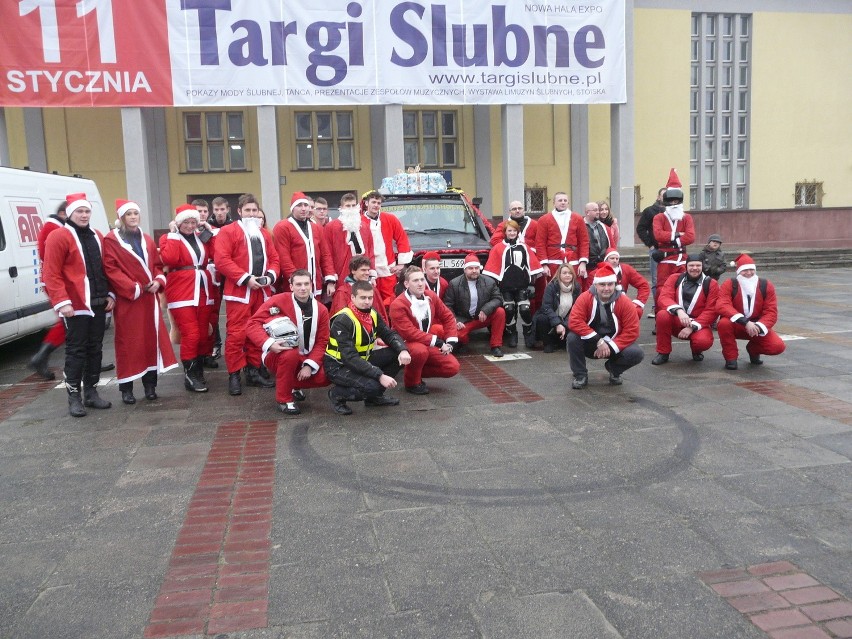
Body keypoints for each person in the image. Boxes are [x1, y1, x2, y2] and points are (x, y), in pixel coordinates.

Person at [42, 193, 115, 417]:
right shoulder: (58, 236)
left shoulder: (97, 235)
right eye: (79, 211)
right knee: (76, 351)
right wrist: (62, 302)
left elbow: (106, 268)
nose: (84, 215)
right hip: (74, 305)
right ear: (70, 213)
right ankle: (73, 396)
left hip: (98, 302)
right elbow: (50, 273)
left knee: (95, 349)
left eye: (86, 211)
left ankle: (91, 393)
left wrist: (110, 293)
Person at [102, 200, 178, 403]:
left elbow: (156, 264)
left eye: (136, 213)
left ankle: (150, 386)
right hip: (129, 300)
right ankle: (126, 389)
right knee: (129, 343)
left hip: (149, 299)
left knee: (150, 341)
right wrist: (133, 287)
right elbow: (111, 269)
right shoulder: (111, 240)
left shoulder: (147, 239)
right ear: (121, 218)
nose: (133, 217)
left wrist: (157, 281)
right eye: (129, 214)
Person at [213, 193, 280, 395]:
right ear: (239, 211)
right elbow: (222, 260)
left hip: (262, 291)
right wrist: (245, 278)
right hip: (240, 291)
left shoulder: (264, 234)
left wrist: (269, 277)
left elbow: (274, 258)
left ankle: (254, 370)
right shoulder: (228, 231)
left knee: (258, 331)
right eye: (247, 210)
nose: (251, 214)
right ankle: (234, 374)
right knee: (236, 334)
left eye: (254, 211)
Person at [246, 269, 330, 415]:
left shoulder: (321, 310)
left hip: (306, 356)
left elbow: (323, 341)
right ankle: (284, 399)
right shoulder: (278, 300)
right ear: (291, 286)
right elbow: (252, 324)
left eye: (306, 284)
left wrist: (309, 366)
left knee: (326, 376)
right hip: (278, 354)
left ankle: (291, 384)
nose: (302, 288)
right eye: (298, 284)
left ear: (311, 285)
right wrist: (269, 343)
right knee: (290, 355)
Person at [324, 280, 411, 415]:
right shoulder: (343, 320)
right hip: (338, 366)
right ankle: (337, 394)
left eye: (370, 298)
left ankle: (373, 399)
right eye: (363, 298)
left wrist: (403, 350)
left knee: (396, 354)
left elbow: (388, 334)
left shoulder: (372, 313)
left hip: (362, 359)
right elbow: (349, 357)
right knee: (373, 386)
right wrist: (380, 375)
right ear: (353, 298)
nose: (367, 301)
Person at [159, 204, 216, 393]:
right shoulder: (168, 238)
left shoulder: (201, 239)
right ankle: (190, 375)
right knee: (190, 333)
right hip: (182, 291)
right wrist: (174, 234)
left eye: (194, 222)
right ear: (178, 223)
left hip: (203, 290)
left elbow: (216, 254)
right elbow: (171, 259)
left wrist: (210, 232)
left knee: (201, 333)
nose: (190, 226)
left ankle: (197, 371)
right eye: (187, 222)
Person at [567, 262, 644, 389]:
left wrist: (610, 346)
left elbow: (632, 331)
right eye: (602, 284)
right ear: (595, 285)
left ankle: (614, 370)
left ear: (615, 285)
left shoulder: (625, 302)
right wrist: (598, 341)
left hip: (614, 344)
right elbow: (574, 321)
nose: (606, 288)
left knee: (636, 353)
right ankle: (580, 375)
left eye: (610, 284)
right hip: (591, 343)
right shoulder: (585, 298)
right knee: (572, 338)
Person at [389, 266, 460, 394]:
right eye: (415, 280)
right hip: (405, 343)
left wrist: (450, 342)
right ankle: (412, 382)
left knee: (452, 367)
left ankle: (413, 369)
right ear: (406, 284)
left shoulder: (430, 296)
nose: (420, 283)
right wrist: (438, 342)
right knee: (419, 351)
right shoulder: (398, 304)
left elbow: (448, 316)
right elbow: (409, 332)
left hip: (425, 341)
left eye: (422, 279)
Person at [716, 254, 786, 370]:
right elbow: (722, 305)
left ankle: (753, 349)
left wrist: (759, 326)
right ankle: (731, 358)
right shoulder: (729, 284)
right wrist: (744, 321)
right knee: (723, 323)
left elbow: (771, 311)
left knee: (777, 347)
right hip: (736, 323)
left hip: (757, 325)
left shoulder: (766, 285)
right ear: (738, 271)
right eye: (745, 270)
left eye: (751, 270)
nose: (748, 273)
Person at [482, 220, 543, 348]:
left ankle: (528, 334)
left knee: (525, 310)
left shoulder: (524, 247)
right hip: (505, 286)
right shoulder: (498, 248)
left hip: (522, 285)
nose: (512, 233)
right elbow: (492, 268)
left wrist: (532, 284)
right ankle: (512, 333)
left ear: (517, 232)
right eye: (509, 231)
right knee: (509, 310)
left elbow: (533, 266)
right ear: (505, 232)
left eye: (514, 231)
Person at [651, 254, 719, 365]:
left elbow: (712, 310)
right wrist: (679, 310)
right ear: (686, 266)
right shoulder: (675, 278)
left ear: (703, 267)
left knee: (703, 342)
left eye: (698, 265)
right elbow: (664, 297)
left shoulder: (711, 284)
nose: (695, 268)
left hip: (698, 322)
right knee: (662, 315)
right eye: (691, 265)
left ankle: (696, 350)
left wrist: (691, 327)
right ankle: (663, 352)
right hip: (678, 319)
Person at [29, 201, 68, 379]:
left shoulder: (53, 226)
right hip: (57, 280)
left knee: (69, 322)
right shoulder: (54, 228)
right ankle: (40, 357)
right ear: (62, 213)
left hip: (57, 280)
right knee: (66, 322)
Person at [273, 191, 336, 298]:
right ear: (292, 208)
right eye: (299, 205)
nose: (303, 208)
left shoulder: (316, 228)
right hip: (294, 286)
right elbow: (284, 258)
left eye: (306, 205)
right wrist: (297, 280)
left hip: (315, 285)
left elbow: (325, 255)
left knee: (316, 313)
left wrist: (330, 279)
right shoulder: (283, 227)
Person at [444, 254, 506, 357]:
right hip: (464, 320)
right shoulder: (454, 284)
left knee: (500, 312)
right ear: (464, 270)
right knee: (458, 336)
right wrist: (455, 320)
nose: (474, 271)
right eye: (470, 268)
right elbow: (447, 305)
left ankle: (496, 346)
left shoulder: (489, 282)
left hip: (481, 317)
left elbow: (498, 298)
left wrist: (486, 309)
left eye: (476, 268)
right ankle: (463, 342)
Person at [362, 190, 413, 308]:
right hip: (368, 270)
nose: (376, 205)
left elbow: (402, 238)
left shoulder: (390, 219)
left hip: (388, 270)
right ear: (366, 203)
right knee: (370, 302)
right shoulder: (360, 222)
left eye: (378, 203)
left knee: (390, 302)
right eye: (373, 202)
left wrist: (401, 263)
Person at [652, 169, 696, 309]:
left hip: (682, 258)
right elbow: (658, 235)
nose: (674, 203)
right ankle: (661, 318)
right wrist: (678, 235)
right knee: (662, 289)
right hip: (665, 259)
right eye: (671, 200)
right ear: (666, 201)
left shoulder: (687, 217)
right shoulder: (659, 217)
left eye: (677, 200)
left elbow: (690, 237)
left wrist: (669, 237)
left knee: (684, 289)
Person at [535, 191, 590, 280]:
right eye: (560, 200)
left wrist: (583, 262)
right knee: (554, 288)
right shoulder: (544, 219)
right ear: (554, 203)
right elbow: (540, 243)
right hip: (553, 260)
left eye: (565, 200)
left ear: (568, 203)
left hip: (573, 259)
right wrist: (544, 264)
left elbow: (584, 241)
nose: (563, 202)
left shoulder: (578, 218)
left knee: (575, 288)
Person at [323, 192, 376, 283]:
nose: (351, 209)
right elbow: (327, 254)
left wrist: (371, 273)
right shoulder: (331, 227)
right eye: (348, 206)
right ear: (341, 208)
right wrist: (331, 276)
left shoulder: (364, 226)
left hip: (363, 274)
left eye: (353, 205)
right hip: (341, 273)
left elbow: (370, 251)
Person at [531, 263, 581, 353]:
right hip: (550, 319)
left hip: (566, 320)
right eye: (564, 273)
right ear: (559, 274)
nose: (567, 275)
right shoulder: (551, 287)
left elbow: (576, 310)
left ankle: (561, 340)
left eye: (570, 273)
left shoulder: (577, 288)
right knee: (542, 319)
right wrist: (557, 323)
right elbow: (546, 307)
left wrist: (564, 324)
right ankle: (548, 343)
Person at [592, 249, 651, 319]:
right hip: (602, 303)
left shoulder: (626, 269)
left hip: (622, 301)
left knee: (637, 310)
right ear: (606, 259)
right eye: (612, 258)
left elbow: (643, 285)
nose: (615, 260)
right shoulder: (596, 273)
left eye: (617, 258)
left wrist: (638, 302)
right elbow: (590, 293)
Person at [331, 255, 389, 324]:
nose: (367, 273)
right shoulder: (343, 292)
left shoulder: (373, 290)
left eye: (368, 270)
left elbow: (382, 317)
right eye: (363, 270)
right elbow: (340, 321)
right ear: (353, 271)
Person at [636, 186, 666, 317]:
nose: (665, 197)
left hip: (672, 251)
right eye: (663, 195)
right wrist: (650, 244)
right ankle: (656, 307)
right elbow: (641, 228)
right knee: (656, 280)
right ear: (658, 196)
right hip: (656, 250)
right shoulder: (649, 211)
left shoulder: (675, 211)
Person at [582, 201, 610, 289]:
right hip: (588, 266)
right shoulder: (581, 226)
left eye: (598, 210)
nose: (598, 212)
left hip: (602, 265)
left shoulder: (603, 227)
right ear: (587, 212)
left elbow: (610, 245)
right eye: (595, 210)